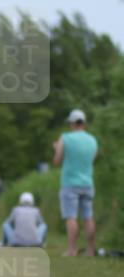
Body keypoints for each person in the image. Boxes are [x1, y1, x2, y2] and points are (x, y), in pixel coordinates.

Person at [53, 108, 98, 257]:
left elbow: (57, 161)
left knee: (71, 217)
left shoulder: (65, 138)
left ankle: (72, 250)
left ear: (72, 123)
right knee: (88, 217)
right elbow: (92, 160)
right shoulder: (92, 140)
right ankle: (90, 250)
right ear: (83, 123)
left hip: (70, 183)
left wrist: (56, 149)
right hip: (87, 182)